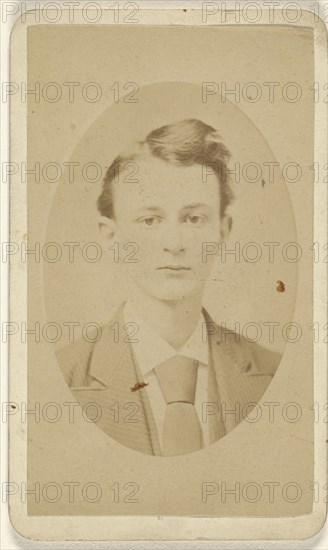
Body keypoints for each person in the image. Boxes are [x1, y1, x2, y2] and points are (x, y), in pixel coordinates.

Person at [57, 119, 280, 456]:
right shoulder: (60, 379)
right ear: (111, 236)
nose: (174, 243)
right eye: (150, 220)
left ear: (223, 230)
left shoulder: (276, 374)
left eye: (194, 218)